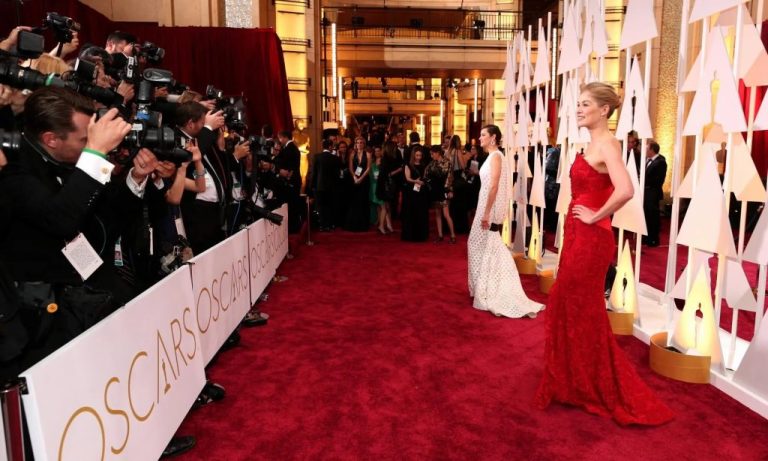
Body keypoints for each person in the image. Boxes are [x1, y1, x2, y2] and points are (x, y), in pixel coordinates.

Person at [535, 82, 674, 426]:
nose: (578, 109)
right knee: (573, 306)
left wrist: (597, 215)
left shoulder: (609, 144)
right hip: (578, 235)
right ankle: (575, 378)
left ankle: (590, 381)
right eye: (578, 104)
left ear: (604, 110)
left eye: (584, 104)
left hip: (591, 239)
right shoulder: (591, 144)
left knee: (577, 305)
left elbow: (626, 189)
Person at [467, 125, 542, 318]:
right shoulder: (492, 156)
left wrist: (487, 212)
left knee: (485, 245)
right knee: (482, 246)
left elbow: (494, 186)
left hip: (488, 209)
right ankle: (482, 287)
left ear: (493, 138)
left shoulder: (497, 157)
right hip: (485, 206)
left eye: (483, 135)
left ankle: (495, 288)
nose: (480, 137)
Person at [425, 144, 456, 243]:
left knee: (446, 214)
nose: (431, 155)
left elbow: (450, 177)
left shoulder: (447, 163)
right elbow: (426, 174)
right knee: (437, 214)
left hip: (444, 190)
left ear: (438, 153)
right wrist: (429, 183)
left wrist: (449, 190)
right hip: (435, 190)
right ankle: (440, 235)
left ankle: (452, 236)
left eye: (432, 153)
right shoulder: (431, 164)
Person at [400, 146, 429, 242]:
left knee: (420, 212)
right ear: (413, 155)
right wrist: (415, 181)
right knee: (411, 212)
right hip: (411, 192)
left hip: (421, 192)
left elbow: (425, 176)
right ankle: (410, 234)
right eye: (417, 155)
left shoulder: (424, 165)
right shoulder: (408, 165)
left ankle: (421, 234)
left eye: (420, 155)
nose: (418, 157)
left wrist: (423, 181)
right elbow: (407, 178)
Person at [344, 137, 372, 231]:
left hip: (364, 180)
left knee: (363, 200)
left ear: (364, 144)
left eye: (361, 143)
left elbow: (368, 168)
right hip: (354, 180)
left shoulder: (368, 154)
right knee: (354, 201)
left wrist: (361, 178)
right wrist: (354, 177)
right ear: (355, 144)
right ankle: (353, 224)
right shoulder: (352, 154)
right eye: (358, 143)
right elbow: (350, 167)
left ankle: (363, 224)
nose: (359, 144)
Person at [642, 140, 666, 247]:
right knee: (646, 215)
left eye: (647, 148)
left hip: (652, 192)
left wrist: (643, 180)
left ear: (652, 149)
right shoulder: (647, 160)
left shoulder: (660, 162)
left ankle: (653, 239)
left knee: (652, 216)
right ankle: (646, 237)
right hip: (646, 192)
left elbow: (658, 180)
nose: (645, 150)